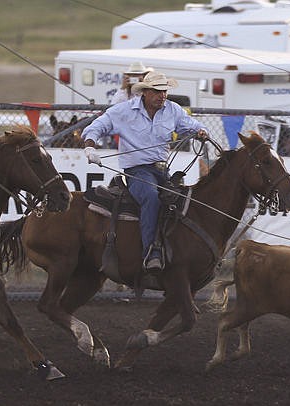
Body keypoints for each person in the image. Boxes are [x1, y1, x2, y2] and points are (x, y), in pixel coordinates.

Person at [83, 71, 209, 271]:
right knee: (151, 196)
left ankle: (179, 250)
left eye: (164, 91)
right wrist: (90, 146)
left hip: (162, 170)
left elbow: (192, 126)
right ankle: (151, 252)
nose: (162, 96)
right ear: (145, 93)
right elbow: (98, 126)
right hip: (137, 171)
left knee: (181, 200)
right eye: (157, 91)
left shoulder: (173, 110)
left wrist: (201, 132)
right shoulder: (124, 111)